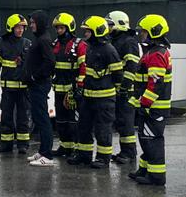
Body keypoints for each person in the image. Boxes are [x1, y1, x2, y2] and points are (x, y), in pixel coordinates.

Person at [128, 13, 172, 187]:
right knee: (145, 138)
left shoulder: (156, 54)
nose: (141, 35)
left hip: (154, 107)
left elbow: (155, 83)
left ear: (154, 32)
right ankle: (145, 169)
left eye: (144, 32)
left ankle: (156, 177)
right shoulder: (153, 52)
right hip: (151, 106)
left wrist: (145, 103)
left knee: (152, 140)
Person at [71, 15, 121, 169]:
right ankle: (84, 155)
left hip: (104, 99)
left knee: (102, 129)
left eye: (88, 31)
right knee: (83, 126)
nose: (85, 34)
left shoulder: (109, 50)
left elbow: (118, 75)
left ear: (97, 31)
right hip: (88, 96)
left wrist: (111, 91)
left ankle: (103, 158)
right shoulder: (91, 48)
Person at [0, 13, 32, 155]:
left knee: (23, 117)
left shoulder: (27, 44)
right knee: (6, 116)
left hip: (23, 88)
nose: (20, 30)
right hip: (7, 89)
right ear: (11, 28)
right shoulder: (2, 46)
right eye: (18, 27)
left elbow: (32, 66)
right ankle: (6, 144)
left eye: (22, 27)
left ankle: (23, 145)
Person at [108, 10, 142, 171]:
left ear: (118, 24)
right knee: (121, 122)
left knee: (126, 122)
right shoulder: (116, 41)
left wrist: (124, 87)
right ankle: (124, 151)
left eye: (110, 24)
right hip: (118, 89)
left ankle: (129, 153)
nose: (108, 27)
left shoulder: (129, 42)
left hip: (127, 90)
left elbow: (132, 66)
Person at [24, 11, 58, 167]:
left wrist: (34, 76)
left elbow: (50, 62)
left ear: (40, 23)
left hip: (39, 84)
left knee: (43, 119)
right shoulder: (40, 38)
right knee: (38, 118)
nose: (31, 25)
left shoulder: (43, 40)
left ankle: (47, 155)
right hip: (36, 84)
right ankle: (42, 151)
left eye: (33, 22)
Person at [50, 12, 83, 160]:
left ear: (70, 28)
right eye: (57, 28)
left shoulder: (78, 45)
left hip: (72, 90)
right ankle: (65, 146)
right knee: (61, 121)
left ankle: (77, 148)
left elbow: (83, 68)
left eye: (62, 28)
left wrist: (79, 88)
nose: (59, 31)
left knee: (74, 121)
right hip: (59, 89)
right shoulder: (55, 44)